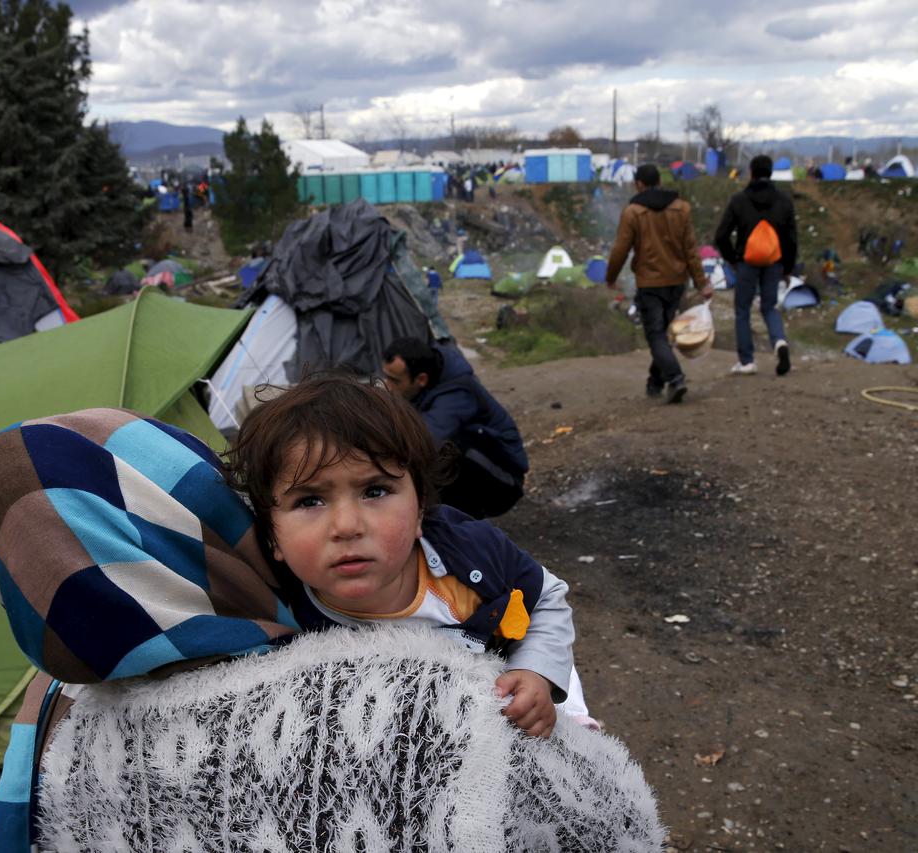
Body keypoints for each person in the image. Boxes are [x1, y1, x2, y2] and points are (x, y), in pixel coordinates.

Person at [223, 375, 577, 739]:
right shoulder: (277, 618)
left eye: (375, 491)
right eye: (309, 500)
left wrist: (535, 671)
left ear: (420, 508)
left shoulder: (468, 551)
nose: (346, 526)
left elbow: (546, 598)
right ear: (272, 535)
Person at [381, 336, 526, 518]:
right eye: (386, 377)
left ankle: (462, 521)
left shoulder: (456, 395)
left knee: (441, 451)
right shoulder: (429, 376)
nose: (387, 386)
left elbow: (424, 440)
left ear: (421, 379)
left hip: (505, 479)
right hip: (483, 466)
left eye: (395, 381)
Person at [605, 163, 713, 403]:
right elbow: (691, 250)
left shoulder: (633, 212)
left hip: (650, 283)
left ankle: (675, 378)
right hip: (676, 281)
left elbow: (621, 249)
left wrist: (611, 277)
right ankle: (655, 382)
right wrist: (701, 283)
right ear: (660, 181)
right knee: (664, 333)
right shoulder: (681, 208)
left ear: (639, 184)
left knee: (656, 335)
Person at [714, 155, 797, 376]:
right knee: (769, 307)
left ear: (751, 172)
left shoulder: (739, 200)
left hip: (746, 263)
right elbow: (791, 240)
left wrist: (733, 259)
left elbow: (721, 235)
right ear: (771, 172)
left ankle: (747, 361)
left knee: (742, 309)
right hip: (774, 262)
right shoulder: (784, 201)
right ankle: (779, 342)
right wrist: (787, 268)